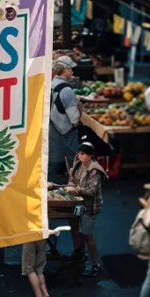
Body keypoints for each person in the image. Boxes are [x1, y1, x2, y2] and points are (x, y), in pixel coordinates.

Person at [66, 142, 107, 276]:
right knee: (74, 228)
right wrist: (71, 185)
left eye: (83, 154)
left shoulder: (94, 170)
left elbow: (92, 191)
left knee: (87, 235)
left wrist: (76, 189)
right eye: (79, 153)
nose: (79, 156)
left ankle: (96, 264)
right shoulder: (77, 165)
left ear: (90, 156)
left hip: (89, 206)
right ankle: (79, 252)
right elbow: (72, 179)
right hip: (76, 203)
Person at [49, 57, 80, 185]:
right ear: (65, 70)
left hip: (51, 130)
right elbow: (75, 119)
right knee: (71, 164)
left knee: (52, 163)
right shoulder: (66, 90)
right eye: (70, 69)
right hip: (65, 133)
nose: (72, 72)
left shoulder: (50, 85)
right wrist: (80, 107)